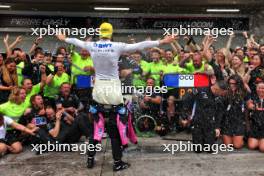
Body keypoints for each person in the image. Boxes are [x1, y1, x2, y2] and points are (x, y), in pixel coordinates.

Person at [56, 22, 176, 171]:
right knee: (114, 130)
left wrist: (64, 38)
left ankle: (90, 159)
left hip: (98, 90)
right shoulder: (117, 46)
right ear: (111, 34)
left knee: (96, 128)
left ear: (100, 33)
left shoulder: (92, 46)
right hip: (113, 91)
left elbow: (76, 41)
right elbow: (140, 45)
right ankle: (117, 163)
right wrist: (162, 41)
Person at [182, 79, 227, 153]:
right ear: (217, 89)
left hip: (210, 124)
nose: (222, 95)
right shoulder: (200, 90)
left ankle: (207, 140)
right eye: (222, 93)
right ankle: (199, 140)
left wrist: (217, 127)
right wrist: (185, 116)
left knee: (209, 149)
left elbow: (219, 113)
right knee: (198, 149)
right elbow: (187, 99)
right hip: (197, 122)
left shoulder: (219, 98)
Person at [221, 75, 247, 149]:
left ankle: (241, 139)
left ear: (238, 84)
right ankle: (232, 137)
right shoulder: (225, 93)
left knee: (237, 146)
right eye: (230, 83)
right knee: (228, 146)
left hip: (238, 121)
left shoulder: (244, 92)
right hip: (227, 122)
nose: (232, 85)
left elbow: (247, 106)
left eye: (234, 83)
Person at [247, 82, 264, 152]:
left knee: (262, 149)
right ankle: (260, 141)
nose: (261, 90)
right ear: (256, 89)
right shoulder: (252, 98)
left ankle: (261, 142)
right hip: (255, 128)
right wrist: (248, 105)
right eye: (259, 88)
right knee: (251, 146)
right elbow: (248, 106)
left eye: (263, 88)